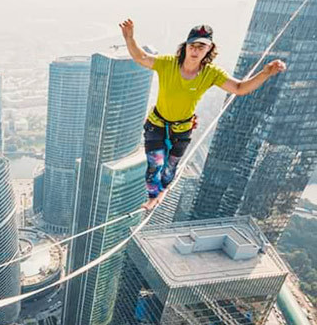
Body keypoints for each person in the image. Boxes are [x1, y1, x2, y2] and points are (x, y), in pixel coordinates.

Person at [119, 19, 287, 211]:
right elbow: (141, 57)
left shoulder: (210, 73)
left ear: (209, 49)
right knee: (154, 164)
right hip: (156, 124)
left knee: (170, 166)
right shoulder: (168, 64)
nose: (196, 51)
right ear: (186, 46)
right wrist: (130, 38)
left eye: (201, 47)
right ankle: (152, 197)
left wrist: (265, 74)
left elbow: (239, 88)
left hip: (182, 128)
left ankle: (164, 188)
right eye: (193, 45)